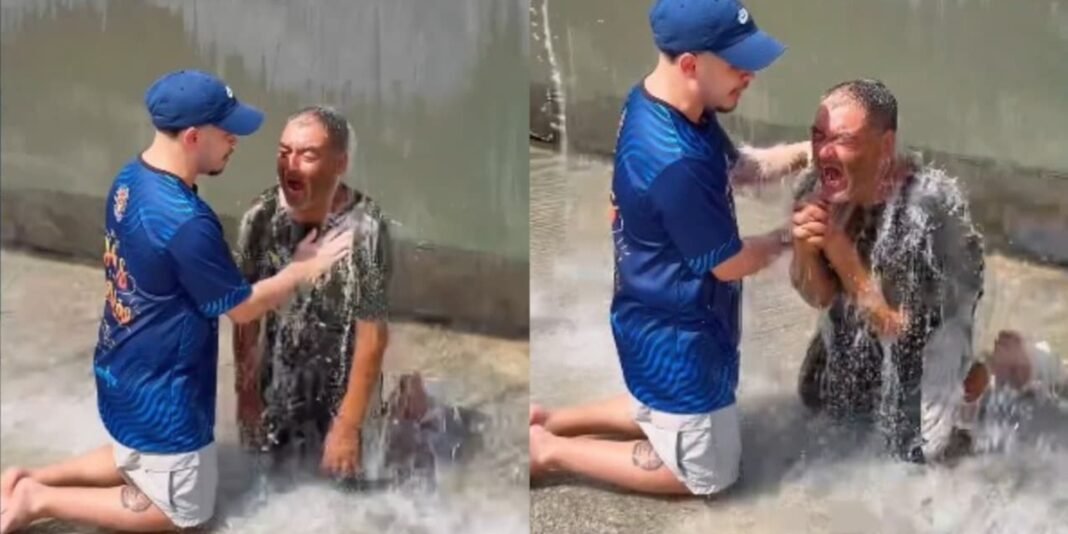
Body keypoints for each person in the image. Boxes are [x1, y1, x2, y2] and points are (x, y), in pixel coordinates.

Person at [0, 70, 352, 533]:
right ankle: (37, 498)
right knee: (181, 512)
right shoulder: (188, 223)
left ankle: (29, 476)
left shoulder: (129, 180)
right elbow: (241, 307)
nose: (235, 140)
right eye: (226, 131)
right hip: (165, 392)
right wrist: (302, 268)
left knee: (137, 455)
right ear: (192, 137)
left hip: (121, 367)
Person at [528, 0, 811, 496]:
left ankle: (552, 419)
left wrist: (807, 153)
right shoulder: (676, 160)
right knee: (707, 475)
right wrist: (790, 237)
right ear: (691, 64)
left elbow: (738, 168)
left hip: (653, 312)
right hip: (680, 338)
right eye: (737, 64)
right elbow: (729, 265)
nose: (749, 76)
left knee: (661, 407)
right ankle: (550, 450)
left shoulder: (663, 103)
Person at [790, 79, 987, 463]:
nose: (824, 152)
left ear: (885, 146)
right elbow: (818, 295)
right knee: (816, 396)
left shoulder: (923, 215)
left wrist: (839, 251)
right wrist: (805, 251)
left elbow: (897, 326)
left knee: (919, 451)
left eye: (843, 140)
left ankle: (978, 380)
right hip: (868, 312)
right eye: (818, 137)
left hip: (928, 335)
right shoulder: (814, 187)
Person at [232, 106, 433, 482]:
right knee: (274, 468)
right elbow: (246, 317)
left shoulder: (365, 230)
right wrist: (246, 394)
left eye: (307, 155)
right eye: (284, 152)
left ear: (340, 164)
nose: (290, 164)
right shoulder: (260, 217)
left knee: (362, 476)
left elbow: (372, 337)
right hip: (285, 374)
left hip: (345, 378)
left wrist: (347, 426)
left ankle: (407, 394)